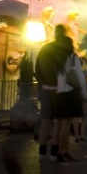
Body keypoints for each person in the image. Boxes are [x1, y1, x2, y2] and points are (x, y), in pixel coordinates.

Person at [34, 24, 72, 160]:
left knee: (46, 119)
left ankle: (42, 152)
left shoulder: (45, 49)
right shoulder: (66, 48)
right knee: (59, 121)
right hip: (61, 89)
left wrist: (43, 82)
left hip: (46, 89)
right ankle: (54, 152)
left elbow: (37, 69)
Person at [53, 35, 87, 162]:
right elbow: (79, 76)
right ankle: (61, 151)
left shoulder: (57, 58)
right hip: (70, 92)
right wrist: (85, 93)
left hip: (60, 93)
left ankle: (66, 151)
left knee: (63, 123)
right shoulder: (73, 58)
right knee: (66, 124)